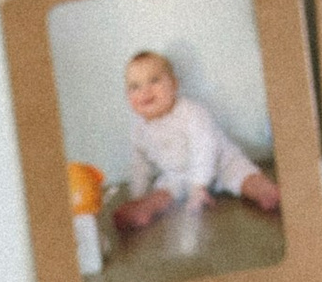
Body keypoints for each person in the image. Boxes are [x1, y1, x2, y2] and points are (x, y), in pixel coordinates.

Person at [107, 52, 282, 238]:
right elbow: (139, 165)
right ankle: (144, 208)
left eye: (154, 80)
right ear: (127, 96)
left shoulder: (190, 112)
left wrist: (199, 187)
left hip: (221, 162)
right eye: (135, 87)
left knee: (245, 175)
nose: (145, 91)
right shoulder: (139, 131)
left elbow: (205, 147)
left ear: (174, 84)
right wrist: (138, 194)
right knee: (163, 191)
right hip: (180, 175)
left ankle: (267, 192)